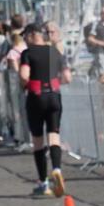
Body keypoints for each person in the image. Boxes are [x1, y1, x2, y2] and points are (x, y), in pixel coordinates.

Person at [18, 23, 71, 197]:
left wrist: (24, 85)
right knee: (54, 136)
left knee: (38, 141)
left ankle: (43, 183)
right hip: (54, 97)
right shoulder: (55, 52)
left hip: (36, 98)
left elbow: (24, 75)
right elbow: (67, 77)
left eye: (25, 36)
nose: (24, 39)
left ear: (33, 35)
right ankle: (57, 169)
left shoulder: (27, 53)